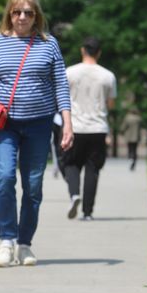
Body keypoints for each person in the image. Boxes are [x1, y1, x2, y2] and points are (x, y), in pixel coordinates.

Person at [0, 0, 73, 268]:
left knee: (32, 185)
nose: (22, 17)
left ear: (36, 16)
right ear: (9, 14)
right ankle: (6, 240)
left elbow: (61, 86)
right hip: (4, 125)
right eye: (17, 12)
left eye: (28, 13)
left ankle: (25, 243)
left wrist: (67, 123)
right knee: (4, 177)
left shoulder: (48, 44)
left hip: (39, 124)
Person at [63, 37, 117, 221]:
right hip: (98, 127)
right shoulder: (108, 76)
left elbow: (61, 99)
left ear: (82, 50)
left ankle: (73, 195)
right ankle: (87, 212)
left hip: (75, 127)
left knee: (70, 164)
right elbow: (111, 103)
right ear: (99, 52)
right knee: (92, 169)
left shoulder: (69, 72)